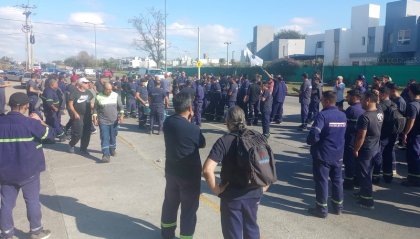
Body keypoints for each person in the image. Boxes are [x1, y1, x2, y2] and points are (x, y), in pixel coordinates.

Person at [203, 106, 268, 239]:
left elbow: (207, 170)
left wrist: (217, 190)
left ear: (227, 122)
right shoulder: (257, 137)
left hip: (231, 196)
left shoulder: (224, 141)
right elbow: (268, 164)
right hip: (254, 193)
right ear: (243, 119)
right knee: (252, 228)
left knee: (232, 233)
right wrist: (264, 187)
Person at [0, 92, 55, 239]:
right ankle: (36, 231)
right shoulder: (30, 123)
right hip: (28, 172)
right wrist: (40, 121)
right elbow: (50, 134)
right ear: (25, 106)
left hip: (5, 173)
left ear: (10, 105)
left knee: (6, 204)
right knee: (32, 201)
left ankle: (6, 234)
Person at [160, 92, 205, 239]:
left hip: (171, 172)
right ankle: (186, 236)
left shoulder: (168, 122)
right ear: (190, 108)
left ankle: (167, 234)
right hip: (189, 177)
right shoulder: (193, 129)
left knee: (170, 204)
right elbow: (202, 143)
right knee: (189, 209)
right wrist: (191, 122)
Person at [306, 91, 346, 218]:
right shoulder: (342, 115)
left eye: (322, 100)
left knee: (322, 181)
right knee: (337, 181)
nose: (321, 102)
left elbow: (314, 135)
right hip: (338, 154)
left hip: (323, 154)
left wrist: (311, 142)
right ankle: (338, 207)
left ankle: (322, 209)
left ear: (327, 101)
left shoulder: (322, 115)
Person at [353, 91, 384, 209]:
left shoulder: (364, 117)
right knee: (368, 172)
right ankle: (363, 193)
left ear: (368, 100)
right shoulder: (379, 112)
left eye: (362, 99)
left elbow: (361, 136)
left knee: (364, 173)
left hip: (366, 149)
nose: (360, 102)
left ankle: (367, 200)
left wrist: (356, 149)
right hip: (375, 147)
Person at [372, 87, 399, 184]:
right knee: (388, 154)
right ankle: (388, 176)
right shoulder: (394, 104)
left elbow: (376, 118)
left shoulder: (381, 106)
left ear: (382, 95)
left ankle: (375, 176)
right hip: (392, 134)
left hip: (383, 134)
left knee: (378, 155)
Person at [93, 83, 124, 162]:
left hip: (114, 121)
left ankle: (112, 149)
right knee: (104, 137)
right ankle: (106, 155)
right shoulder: (98, 96)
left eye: (111, 89)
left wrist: (121, 115)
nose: (110, 91)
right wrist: (94, 117)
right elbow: (95, 109)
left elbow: (121, 106)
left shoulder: (115, 95)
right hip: (103, 121)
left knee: (113, 136)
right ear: (104, 89)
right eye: (108, 89)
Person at [343, 90, 365, 190]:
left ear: (355, 97)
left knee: (349, 161)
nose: (347, 98)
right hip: (361, 140)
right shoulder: (363, 108)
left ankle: (348, 182)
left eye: (349, 96)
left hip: (350, 140)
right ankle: (357, 180)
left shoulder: (351, 110)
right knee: (358, 161)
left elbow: (344, 127)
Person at [67, 78, 94, 154]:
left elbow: (90, 103)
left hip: (87, 115)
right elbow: (70, 104)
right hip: (78, 115)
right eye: (86, 83)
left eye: (88, 82)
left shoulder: (88, 92)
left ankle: (83, 148)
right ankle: (71, 144)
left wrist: (95, 108)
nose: (88, 84)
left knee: (87, 133)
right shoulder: (75, 92)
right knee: (78, 133)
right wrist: (75, 113)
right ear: (81, 84)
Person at [401, 83, 420, 187]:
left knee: (413, 157)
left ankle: (414, 179)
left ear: (411, 92)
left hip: (414, 134)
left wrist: (405, 133)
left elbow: (411, 121)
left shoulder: (412, 105)